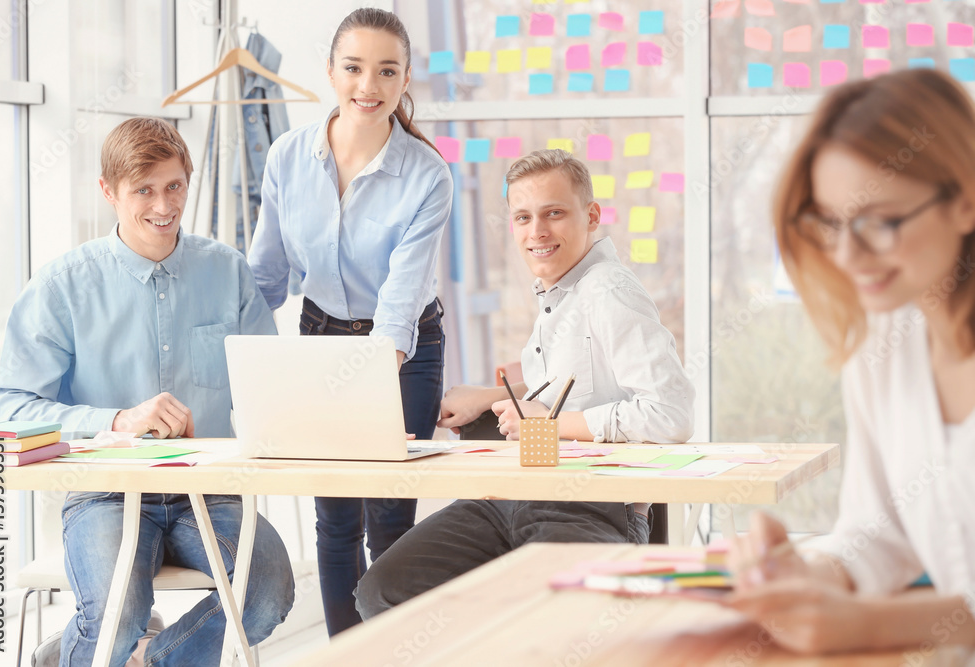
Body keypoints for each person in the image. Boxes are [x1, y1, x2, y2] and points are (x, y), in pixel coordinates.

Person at [0, 117, 294, 666]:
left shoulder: (228, 273)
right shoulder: (62, 287)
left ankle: (152, 659)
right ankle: (80, 653)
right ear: (109, 192)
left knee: (266, 591)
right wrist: (117, 420)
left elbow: (269, 388)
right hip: (105, 491)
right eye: (144, 190)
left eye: (174, 185)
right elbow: (8, 408)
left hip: (210, 489)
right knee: (116, 617)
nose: (163, 205)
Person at [354, 149, 695, 618]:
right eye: (523, 217)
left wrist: (551, 428)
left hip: (588, 505)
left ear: (591, 216)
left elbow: (670, 414)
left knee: (550, 617)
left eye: (554, 213)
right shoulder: (559, 292)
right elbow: (572, 389)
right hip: (512, 494)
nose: (537, 232)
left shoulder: (608, 290)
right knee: (385, 591)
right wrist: (489, 397)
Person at [725, 68, 975, 654]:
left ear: (965, 200)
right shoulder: (885, 344)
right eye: (832, 223)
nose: (846, 253)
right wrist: (808, 575)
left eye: (880, 222)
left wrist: (873, 625)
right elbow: (879, 530)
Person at [246, 8, 452, 636]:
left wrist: (361, 389)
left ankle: (392, 650)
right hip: (321, 338)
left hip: (405, 351)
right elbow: (266, 276)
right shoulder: (287, 157)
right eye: (354, 67)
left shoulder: (427, 175)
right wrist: (252, 375)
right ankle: (346, 652)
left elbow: (398, 307)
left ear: (406, 77)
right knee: (335, 519)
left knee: (390, 518)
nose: (369, 85)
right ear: (331, 72)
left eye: (387, 71)